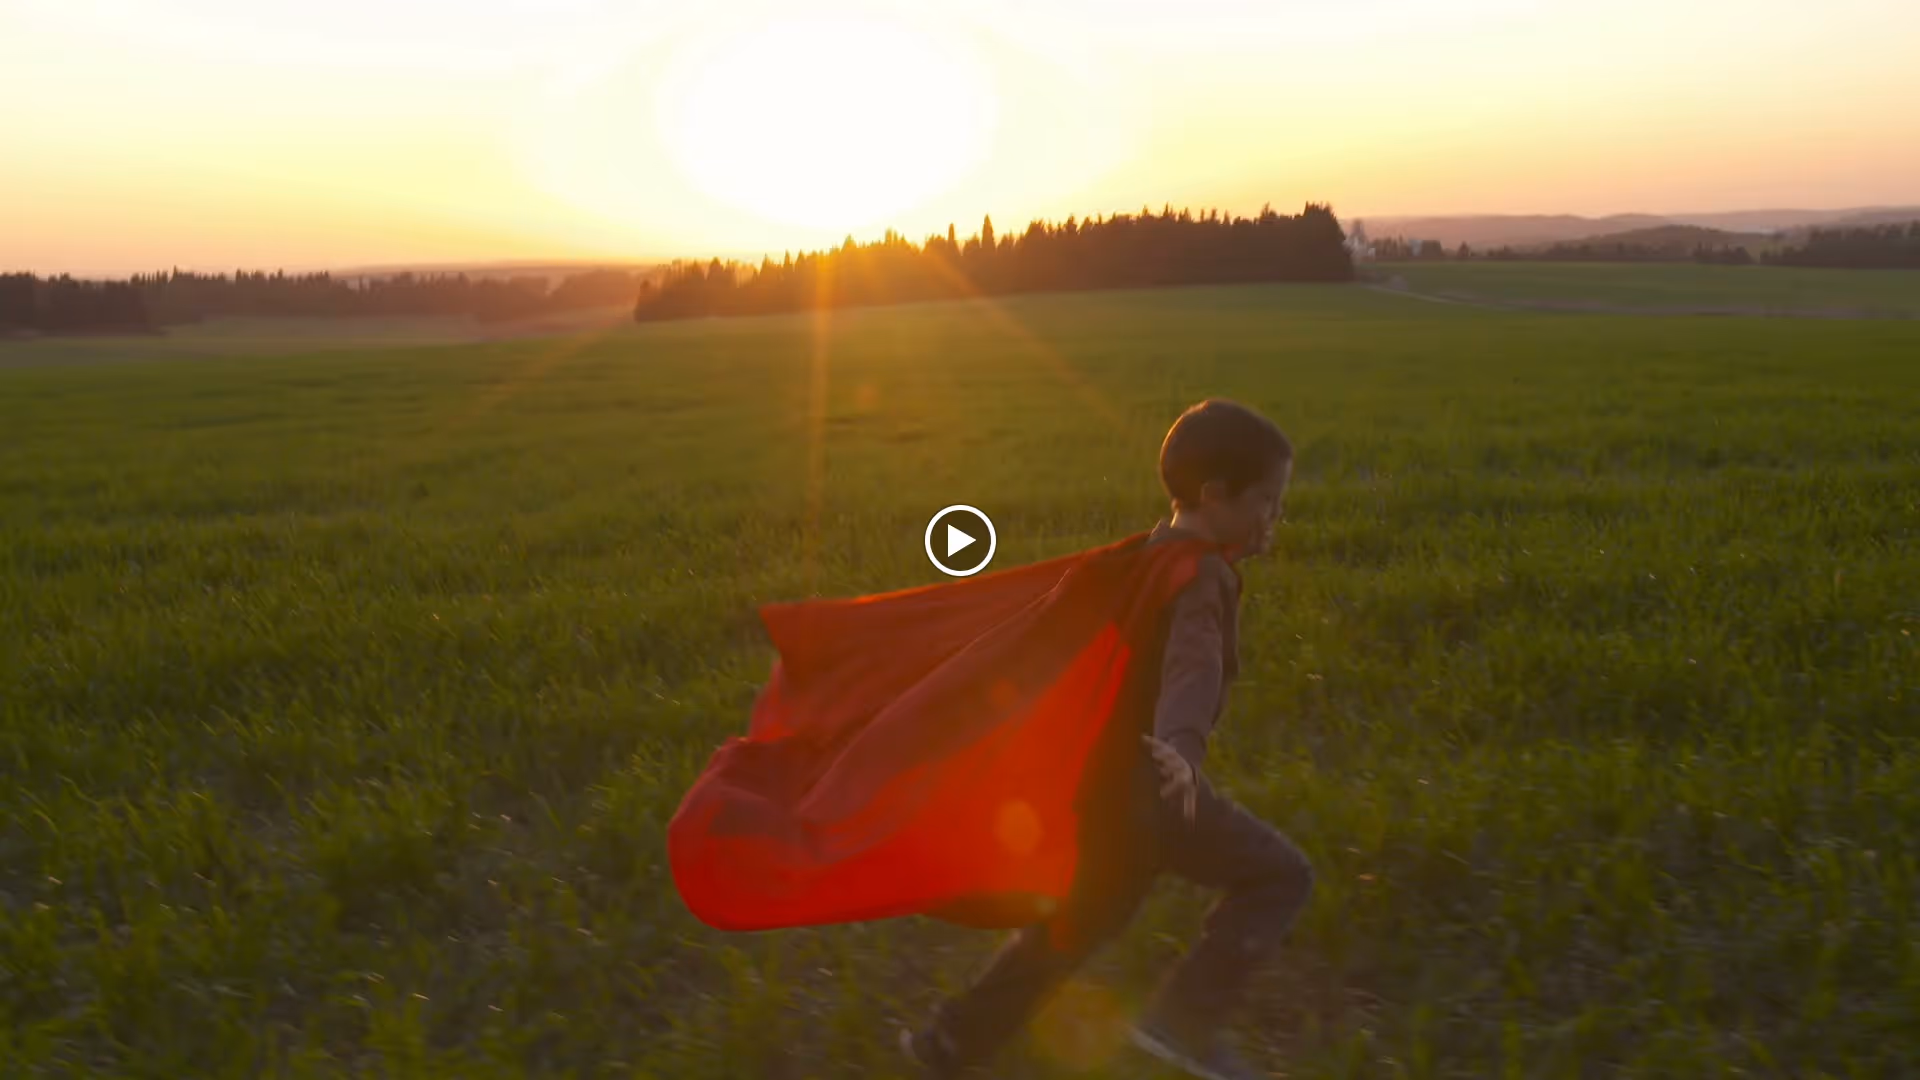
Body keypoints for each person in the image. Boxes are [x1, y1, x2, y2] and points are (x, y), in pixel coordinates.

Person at [899, 398, 1314, 1080]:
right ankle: (1185, 1024)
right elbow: (1195, 662)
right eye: (1268, 501)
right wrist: (1181, 748)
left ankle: (951, 1043)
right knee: (1280, 875)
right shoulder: (1201, 576)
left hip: (1106, 792)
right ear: (1216, 497)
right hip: (1157, 788)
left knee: (1066, 934)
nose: (1276, 517)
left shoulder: (1142, 557)